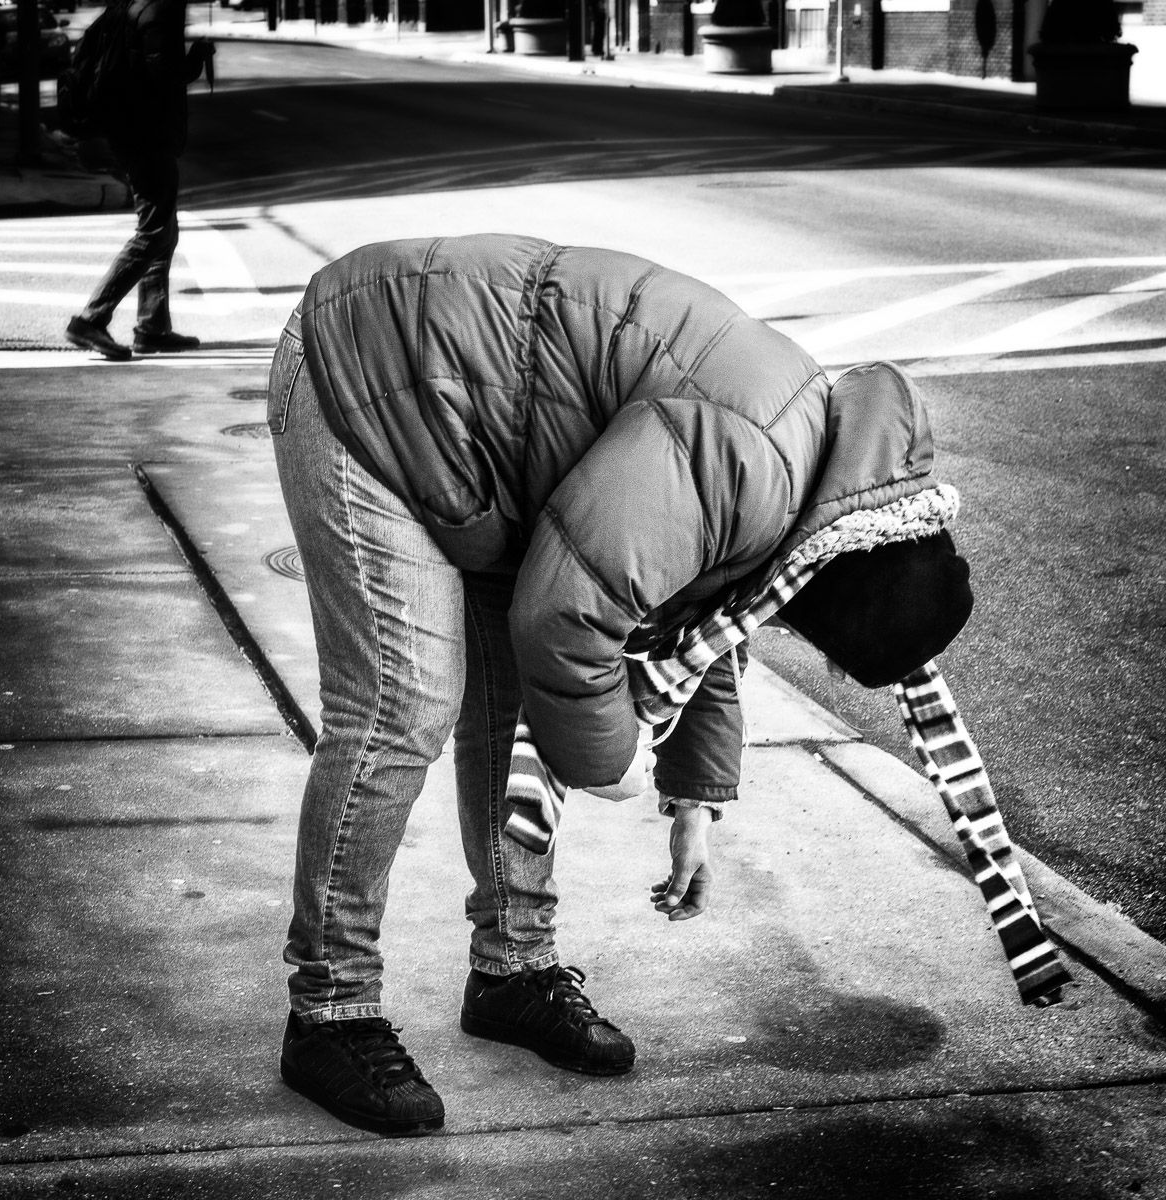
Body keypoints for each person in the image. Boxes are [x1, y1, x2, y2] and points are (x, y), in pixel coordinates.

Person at [267, 233, 974, 1137]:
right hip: (371, 374)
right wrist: (615, 766)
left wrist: (695, 799)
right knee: (402, 704)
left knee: (512, 708)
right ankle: (329, 1010)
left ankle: (514, 970)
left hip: (472, 430)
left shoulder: (822, 475)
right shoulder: (749, 457)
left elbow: (709, 609)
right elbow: (565, 619)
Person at [65, 0, 213, 362]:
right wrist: (196, 58)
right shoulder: (158, 10)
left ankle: (153, 326)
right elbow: (163, 73)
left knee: (164, 230)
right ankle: (91, 318)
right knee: (153, 231)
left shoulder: (129, 6)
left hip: (132, 132)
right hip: (147, 135)